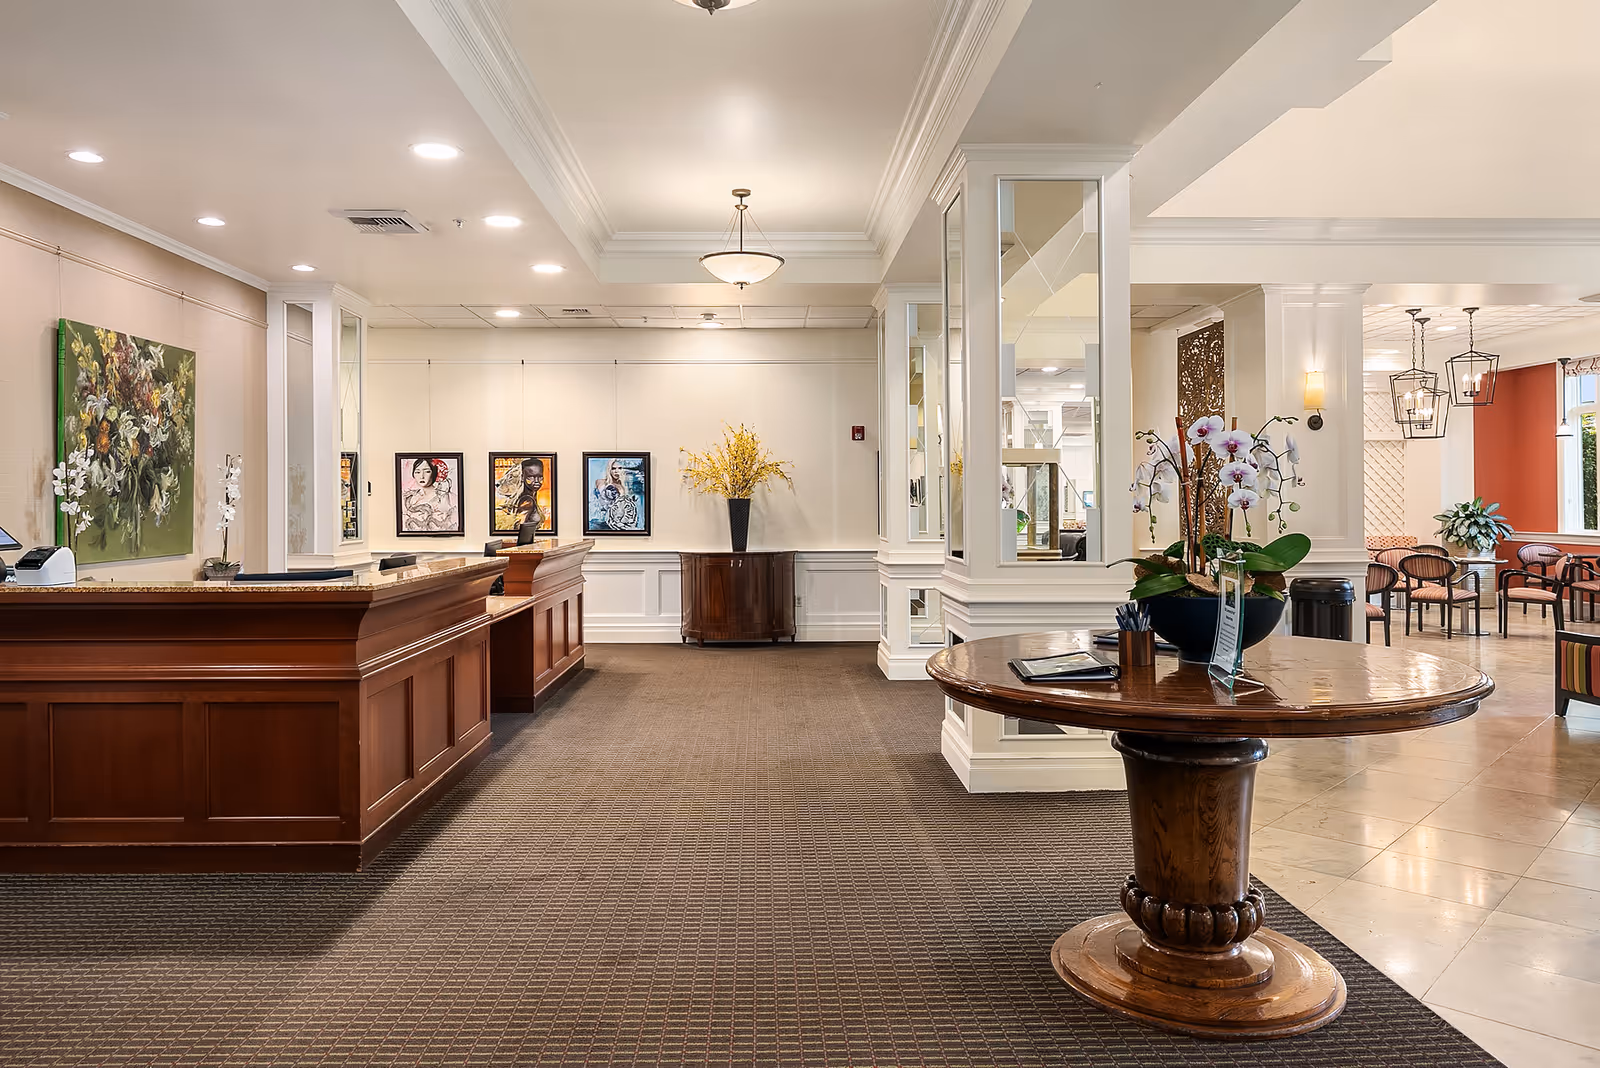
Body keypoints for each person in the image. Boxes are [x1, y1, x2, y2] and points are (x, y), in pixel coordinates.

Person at [401, 457, 456, 532]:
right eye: (417, 472)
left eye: (427, 471)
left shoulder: (446, 497)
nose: (422, 476)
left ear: (434, 473)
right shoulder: (409, 498)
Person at [590, 457, 641, 531]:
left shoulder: (626, 487)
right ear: (609, 470)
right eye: (613, 468)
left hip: (619, 523)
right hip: (602, 522)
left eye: (620, 468)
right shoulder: (600, 482)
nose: (616, 471)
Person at [511, 457, 546, 530]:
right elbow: (518, 528)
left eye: (540, 477)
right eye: (531, 477)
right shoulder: (527, 501)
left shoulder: (530, 498)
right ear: (522, 477)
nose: (537, 481)